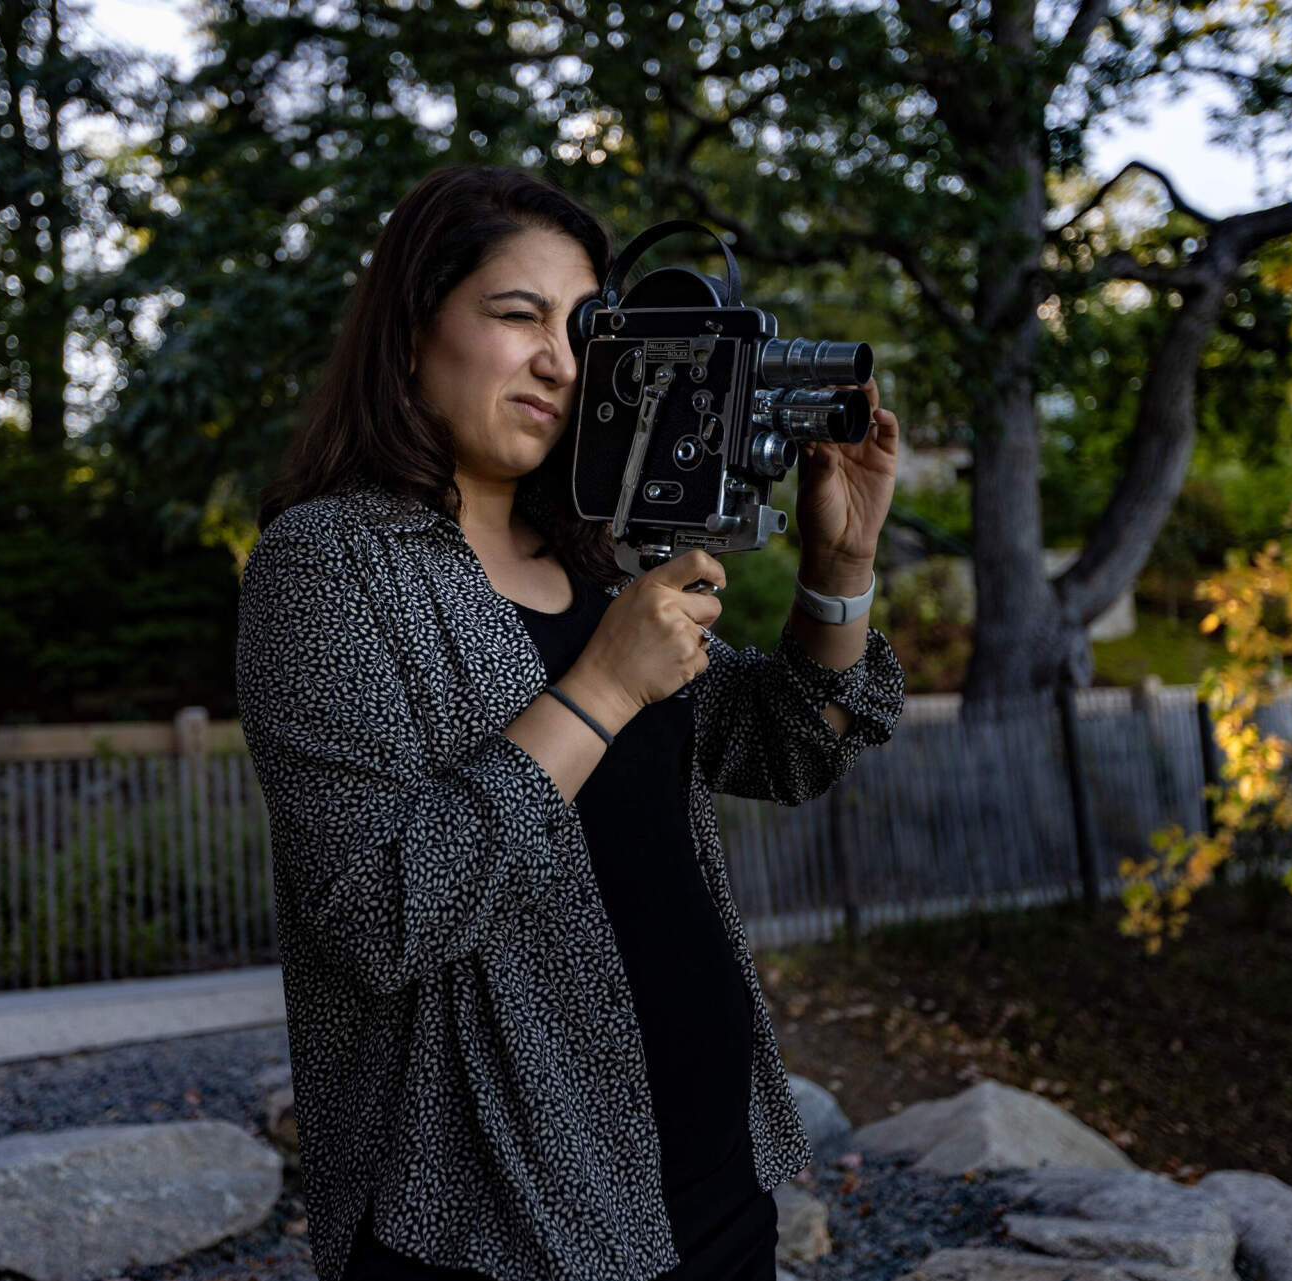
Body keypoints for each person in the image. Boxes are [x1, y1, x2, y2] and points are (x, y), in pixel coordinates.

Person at [235, 165, 906, 1281]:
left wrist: (841, 572)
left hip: (708, 1175)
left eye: (582, 327)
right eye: (517, 315)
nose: (558, 357)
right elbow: (378, 914)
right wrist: (599, 691)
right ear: (411, 331)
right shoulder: (329, 563)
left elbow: (789, 744)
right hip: (496, 1216)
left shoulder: (601, 565)